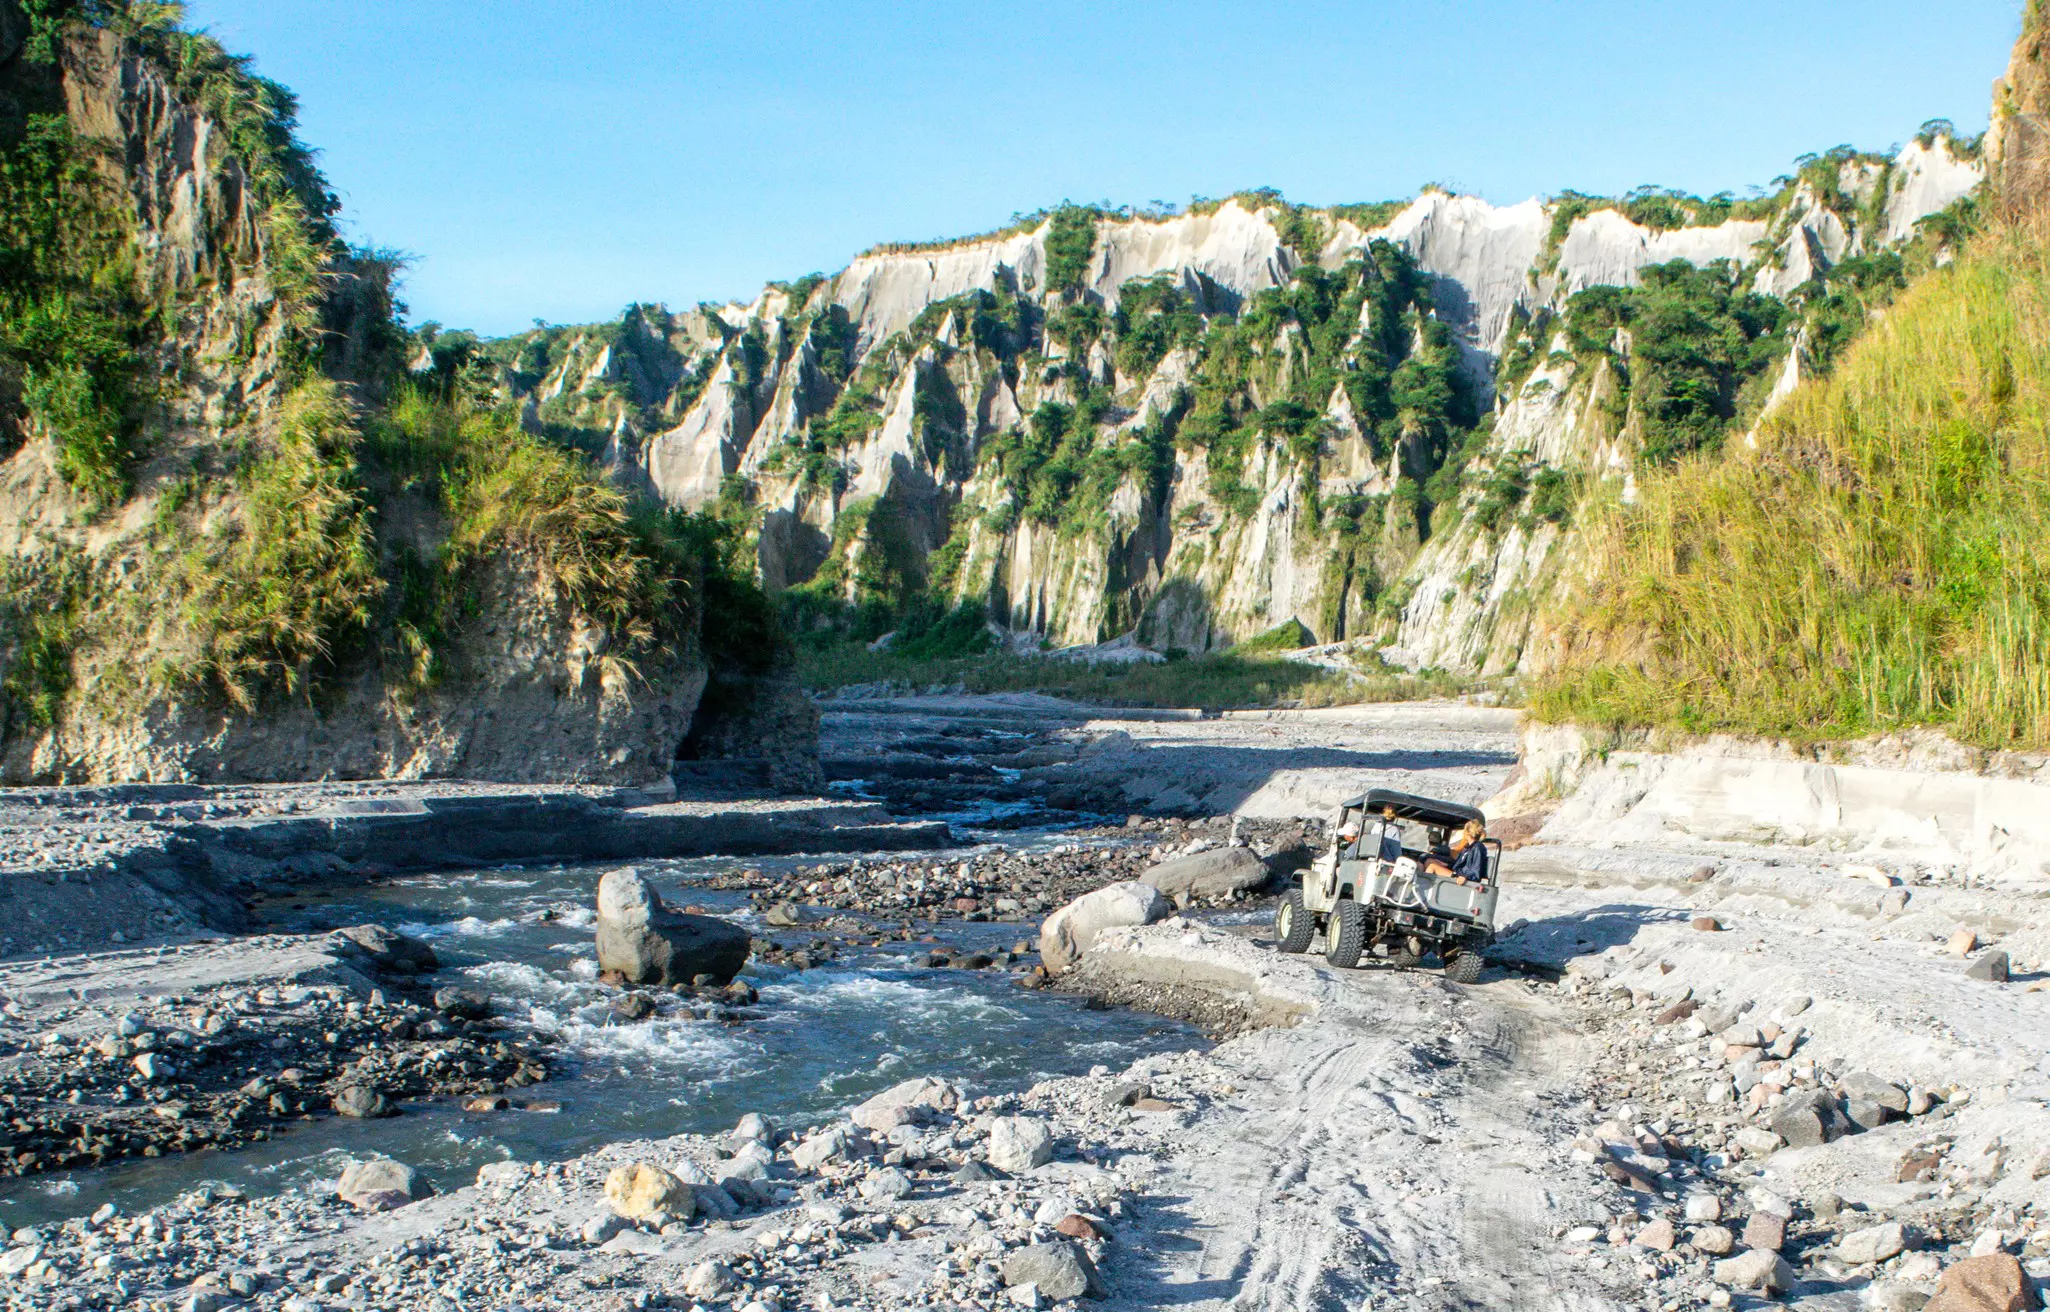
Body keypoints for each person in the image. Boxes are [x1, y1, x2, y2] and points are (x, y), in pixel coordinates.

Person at [1424, 819, 1488, 885]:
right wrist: (1447, 865)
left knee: (1432, 867)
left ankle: (1425, 887)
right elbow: (1459, 864)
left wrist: (1465, 877)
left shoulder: (1478, 848)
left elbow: (1476, 872)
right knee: (1428, 861)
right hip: (1458, 872)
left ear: (1468, 832)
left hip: (1462, 877)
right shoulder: (1468, 847)